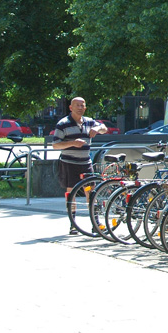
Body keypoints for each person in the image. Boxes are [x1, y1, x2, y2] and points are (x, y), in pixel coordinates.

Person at [53, 97, 107, 235]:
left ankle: (95, 223)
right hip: (69, 163)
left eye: (82, 105)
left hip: (85, 163)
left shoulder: (89, 121)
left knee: (91, 192)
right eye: (77, 105)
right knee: (71, 193)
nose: (80, 108)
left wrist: (97, 128)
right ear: (71, 107)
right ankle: (73, 224)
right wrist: (72, 143)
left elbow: (104, 128)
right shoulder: (63, 124)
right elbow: (55, 144)